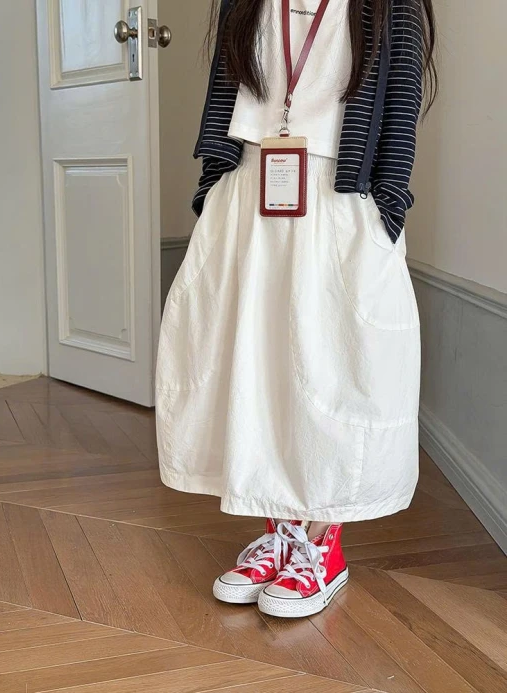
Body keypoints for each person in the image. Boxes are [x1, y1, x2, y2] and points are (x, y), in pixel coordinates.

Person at [155, 0, 437, 618]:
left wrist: (386, 211)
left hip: (340, 196)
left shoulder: (390, 6)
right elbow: (226, 90)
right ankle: (281, 531)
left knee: (334, 367)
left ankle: (323, 543)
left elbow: (399, 109)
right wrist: (212, 190)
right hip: (250, 191)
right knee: (254, 366)